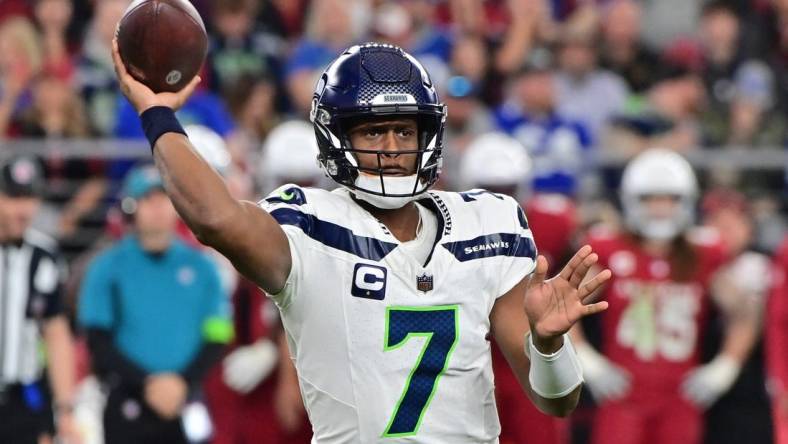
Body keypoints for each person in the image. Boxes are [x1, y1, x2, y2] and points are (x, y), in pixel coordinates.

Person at [111, 41, 612, 443]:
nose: (392, 149)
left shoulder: (489, 222)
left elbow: (556, 401)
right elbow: (215, 219)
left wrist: (548, 345)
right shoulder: (308, 223)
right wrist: (157, 116)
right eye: (373, 133)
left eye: (402, 130)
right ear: (337, 138)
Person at [570, 148, 760, 444]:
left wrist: (726, 366)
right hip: (622, 395)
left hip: (680, 397)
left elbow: (745, 312)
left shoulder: (702, 253)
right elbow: (566, 308)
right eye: (650, 199)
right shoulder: (610, 249)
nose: (661, 208)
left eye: (670, 199)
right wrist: (587, 361)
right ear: (631, 200)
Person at [77, 165, 231, 444]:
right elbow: (97, 338)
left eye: (163, 198)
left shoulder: (204, 268)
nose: (157, 207)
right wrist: (147, 383)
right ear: (133, 207)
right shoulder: (108, 267)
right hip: (128, 396)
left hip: (187, 396)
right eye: (147, 199)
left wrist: (182, 382)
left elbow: (218, 333)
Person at [0, 155, 81, 444]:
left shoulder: (44, 257)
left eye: (30, 197)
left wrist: (65, 409)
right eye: (13, 197)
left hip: (24, 395)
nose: (23, 209)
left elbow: (56, 334)